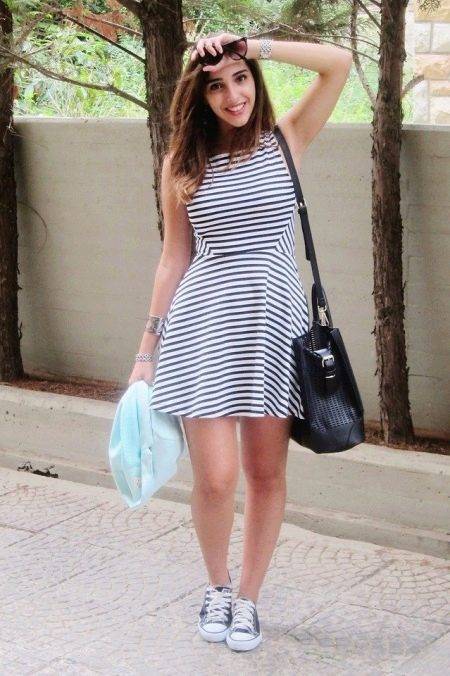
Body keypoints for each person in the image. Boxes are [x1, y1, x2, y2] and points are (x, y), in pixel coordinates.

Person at [128, 32, 352, 652]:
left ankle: (249, 599)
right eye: (216, 85)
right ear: (198, 97)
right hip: (201, 331)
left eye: (241, 78)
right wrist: (146, 352)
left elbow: (339, 64)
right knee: (216, 479)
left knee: (265, 473)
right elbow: (173, 259)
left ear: (255, 78)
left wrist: (254, 45)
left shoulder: (286, 139)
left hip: (274, 331)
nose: (233, 95)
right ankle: (218, 587)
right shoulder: (182, 164)